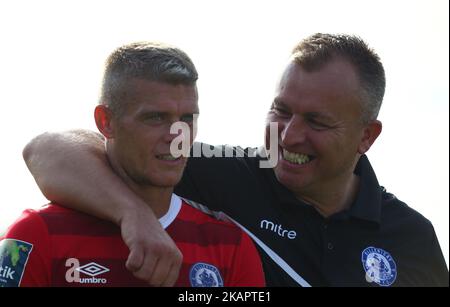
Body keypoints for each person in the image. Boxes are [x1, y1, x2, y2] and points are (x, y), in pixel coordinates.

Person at [21, 33, 448, 287]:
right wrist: (134, 214)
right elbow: (46, 149)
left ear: (367, 137)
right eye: (281, 110)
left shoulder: (413, 240)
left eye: (317, 121)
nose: (289, 134)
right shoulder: (222, 173)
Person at [0, 42, 265, 287]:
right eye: (156, 118)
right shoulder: (35, 234)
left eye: (187, 118)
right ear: (106, 122)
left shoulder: (231, 246)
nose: (177, 136)